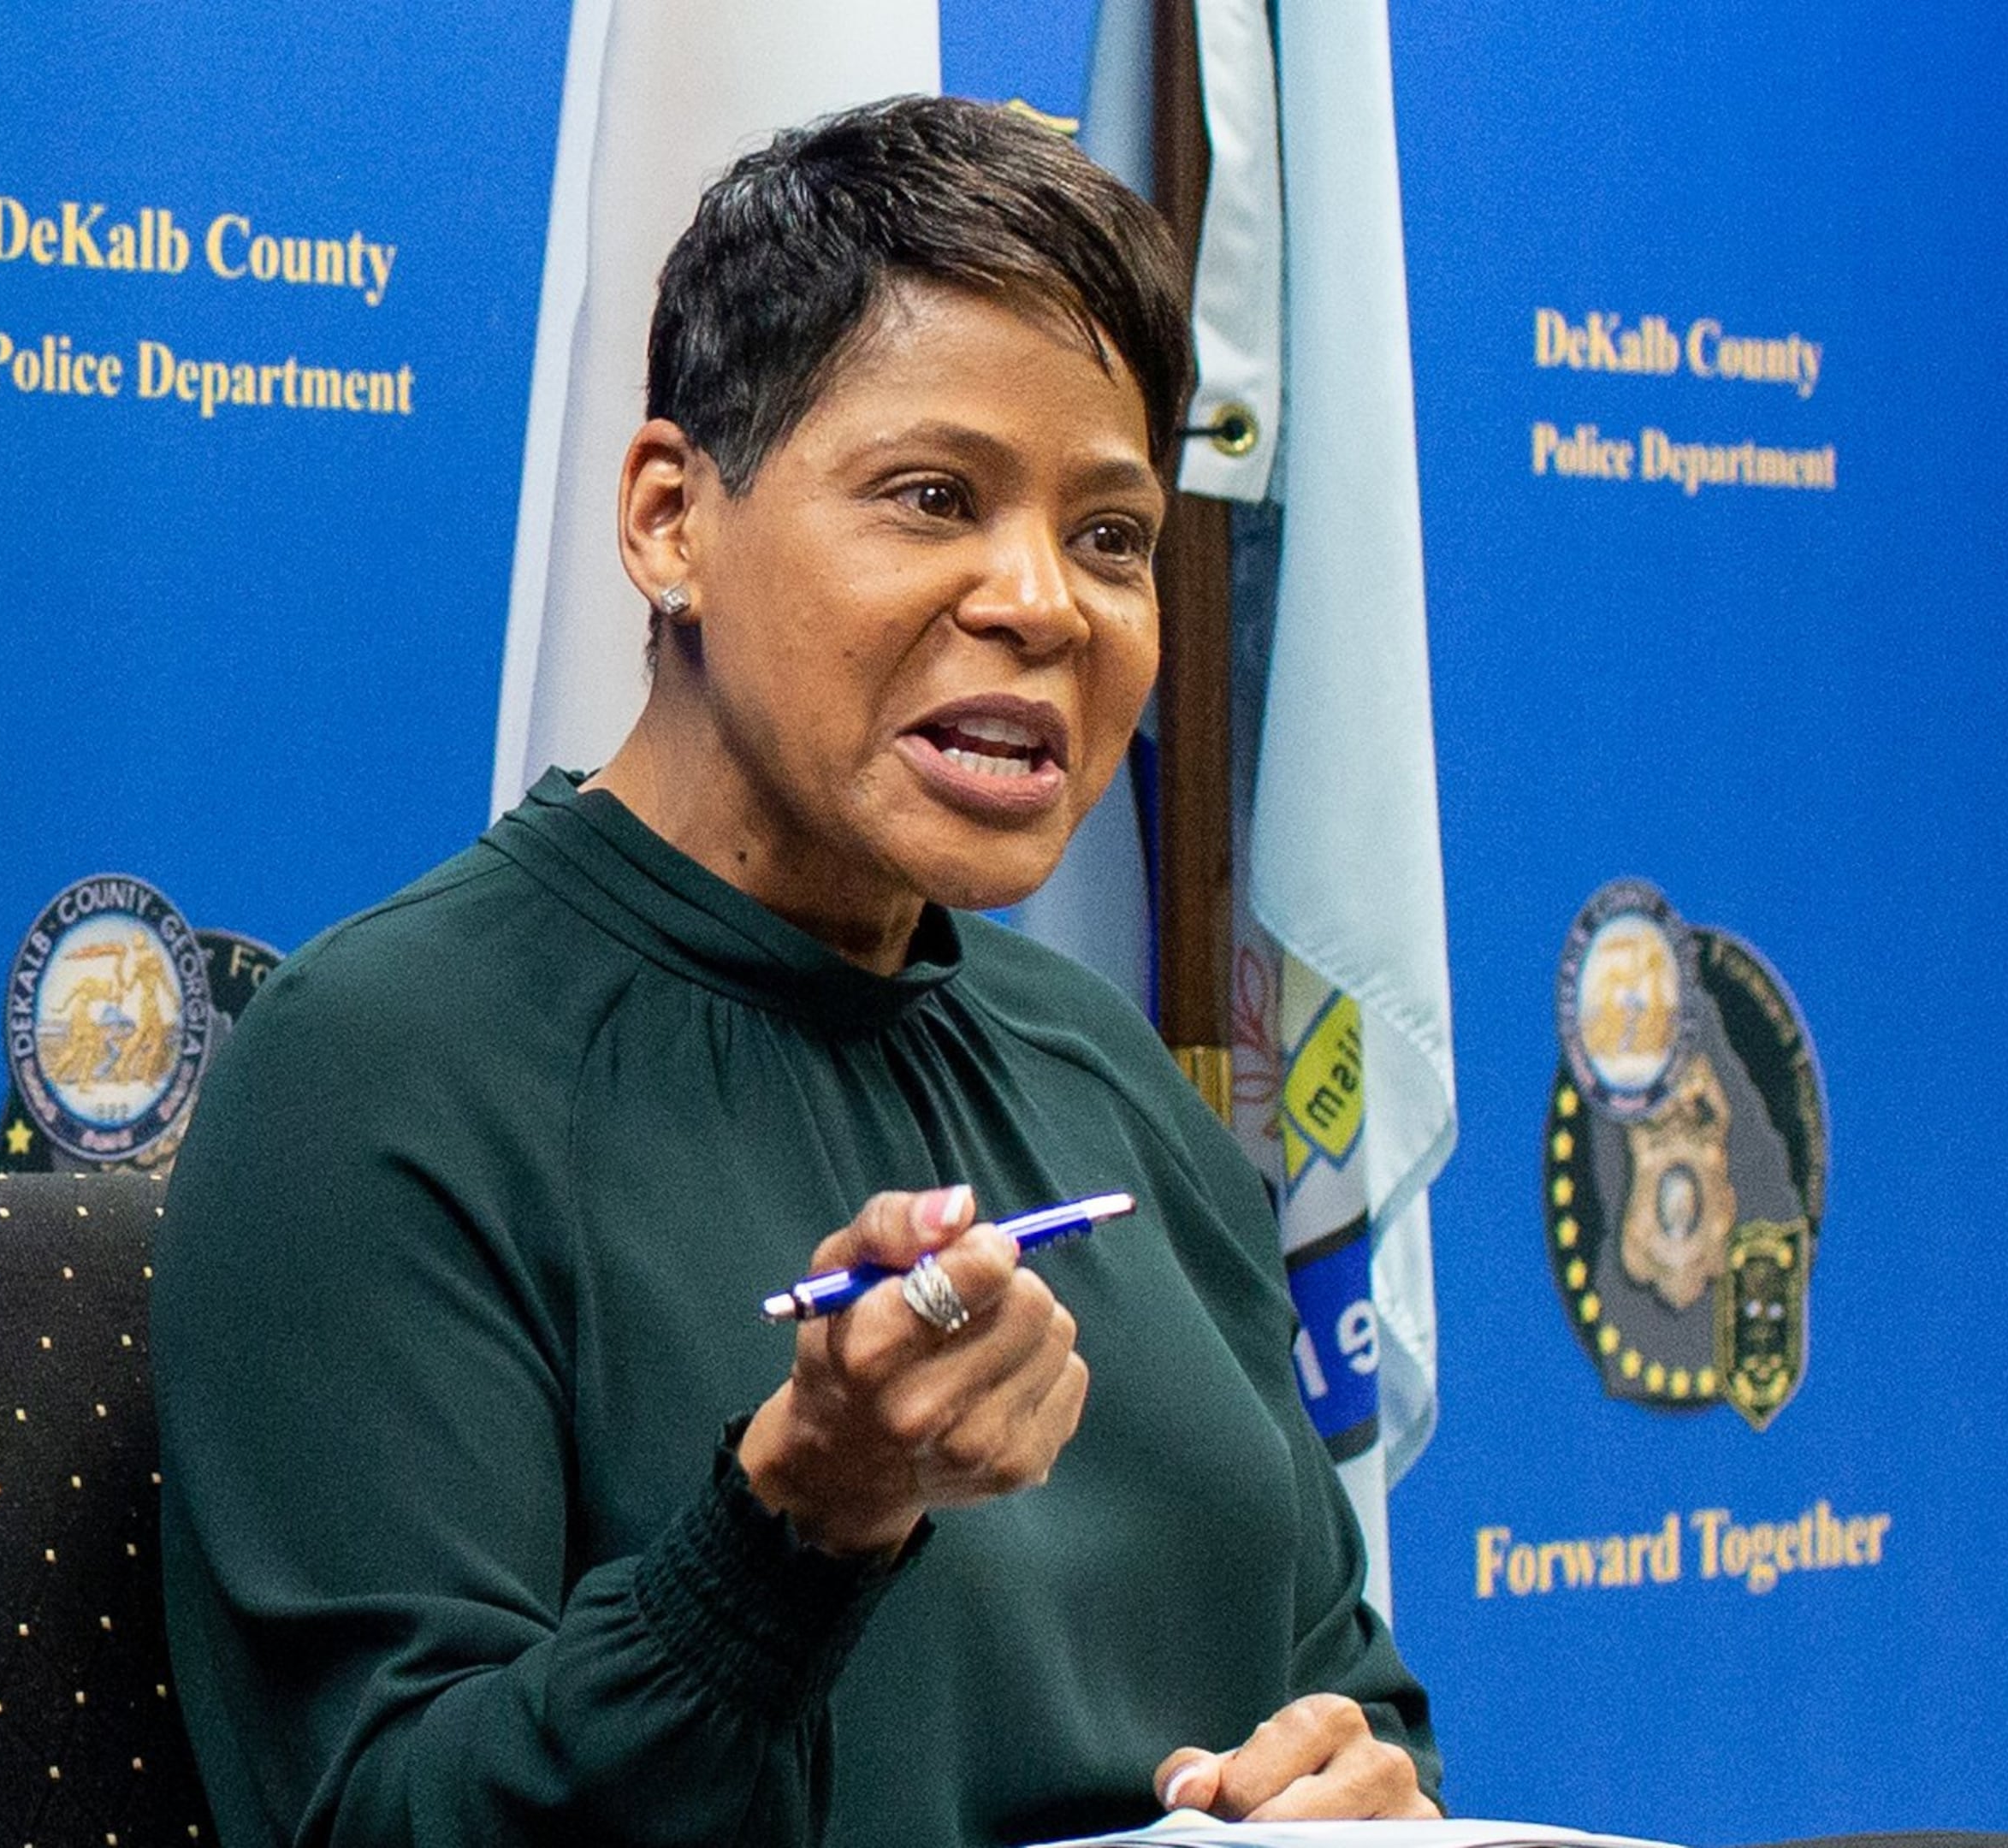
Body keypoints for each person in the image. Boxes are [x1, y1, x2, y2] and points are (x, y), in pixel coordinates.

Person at [154, 94, 1438, 1848]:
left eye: (1113, 535)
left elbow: (1347, 1687)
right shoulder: (376, 1072)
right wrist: (795, 1524)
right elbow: (385, 1822)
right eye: (933, 498)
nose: (1046, 603)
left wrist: (1364, 1784)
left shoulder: (1106, 1073)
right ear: (673, 519)